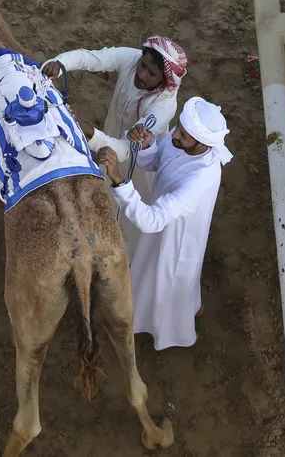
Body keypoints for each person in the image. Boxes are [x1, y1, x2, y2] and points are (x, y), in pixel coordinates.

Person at [96, 96, 231, 350]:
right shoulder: (183, 139)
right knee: (154, 275)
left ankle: (172, 332)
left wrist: (117, 179)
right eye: (178, 127)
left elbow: (151, 220)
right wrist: (148, 146)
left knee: (165, 281)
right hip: (161, 221)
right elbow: (159, 163)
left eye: (183, 134)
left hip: (174, 238)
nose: (174, 135)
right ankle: (191, 307)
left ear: (203, 144)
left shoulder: (201, 178)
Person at [42, 36, 188, 254]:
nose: (141, 74)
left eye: (151, 74)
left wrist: (92, 135)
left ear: (164, 81)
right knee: (103, 204)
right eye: (143, 65)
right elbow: (92, 59)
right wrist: (60, 64)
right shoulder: (131, 58)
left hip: (140, 168)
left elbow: (128, 150)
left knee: (132, 220)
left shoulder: (164, 107)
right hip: (107, 152)